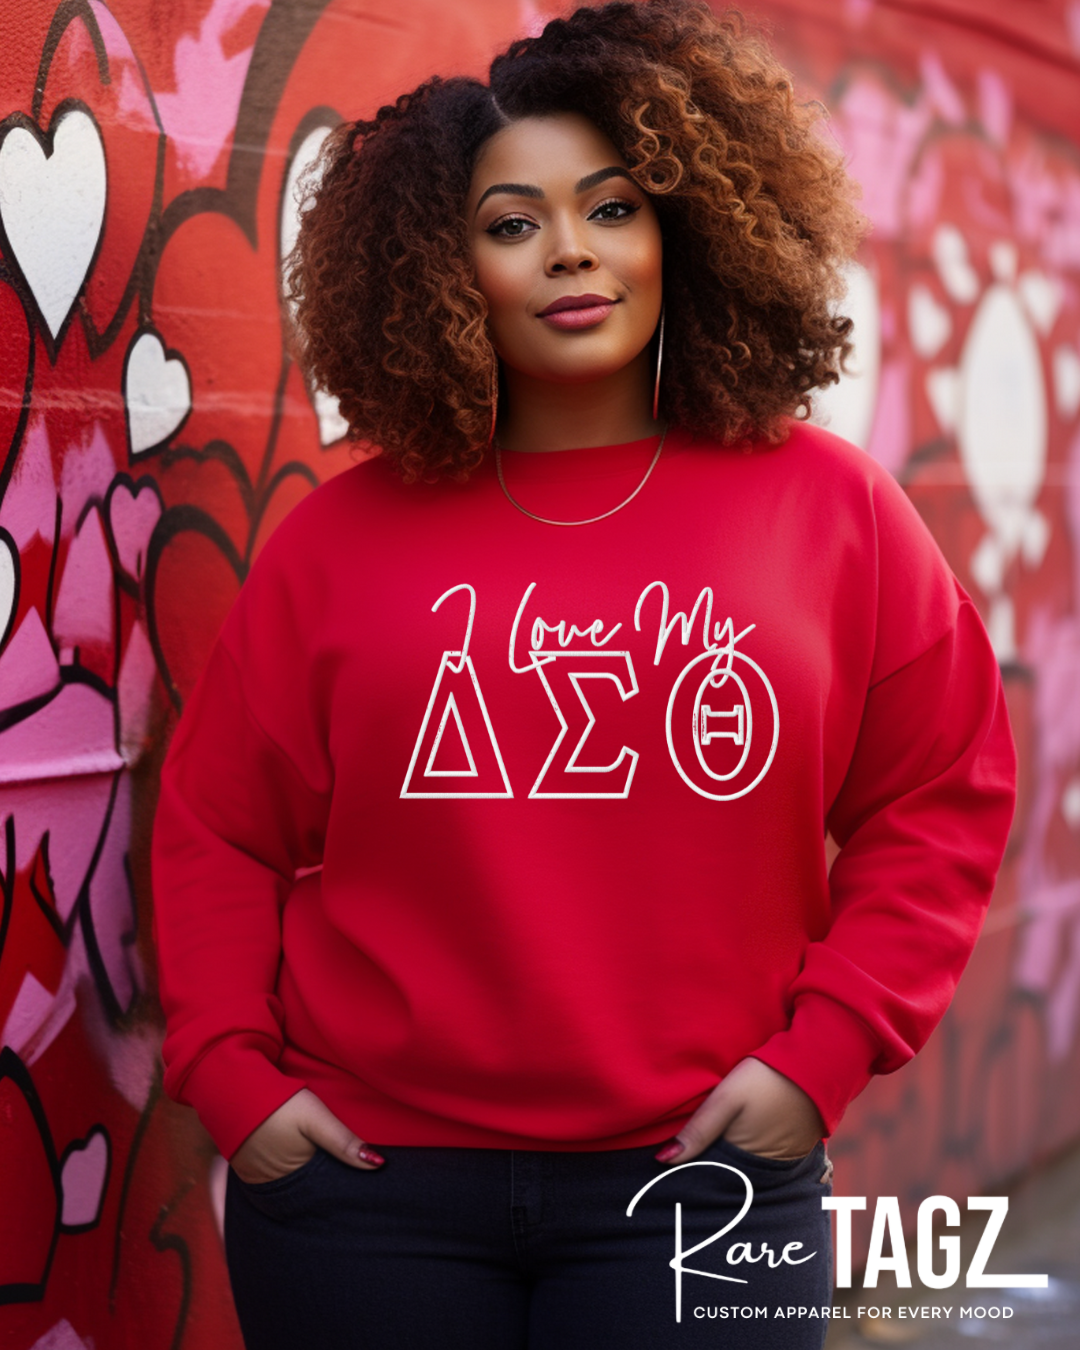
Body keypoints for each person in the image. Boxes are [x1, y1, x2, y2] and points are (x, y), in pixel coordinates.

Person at [149, 2, 1016, 1346]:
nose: (570, 251)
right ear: (443, 266)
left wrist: (825, 1051)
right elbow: (219, 822)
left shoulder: (829, 508)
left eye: (611, 208)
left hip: (703, 1179)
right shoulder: (339, 536)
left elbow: (941, 789)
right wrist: (230, 1075)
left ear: (686, 230)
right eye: (511, 223)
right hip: (370, 1199)